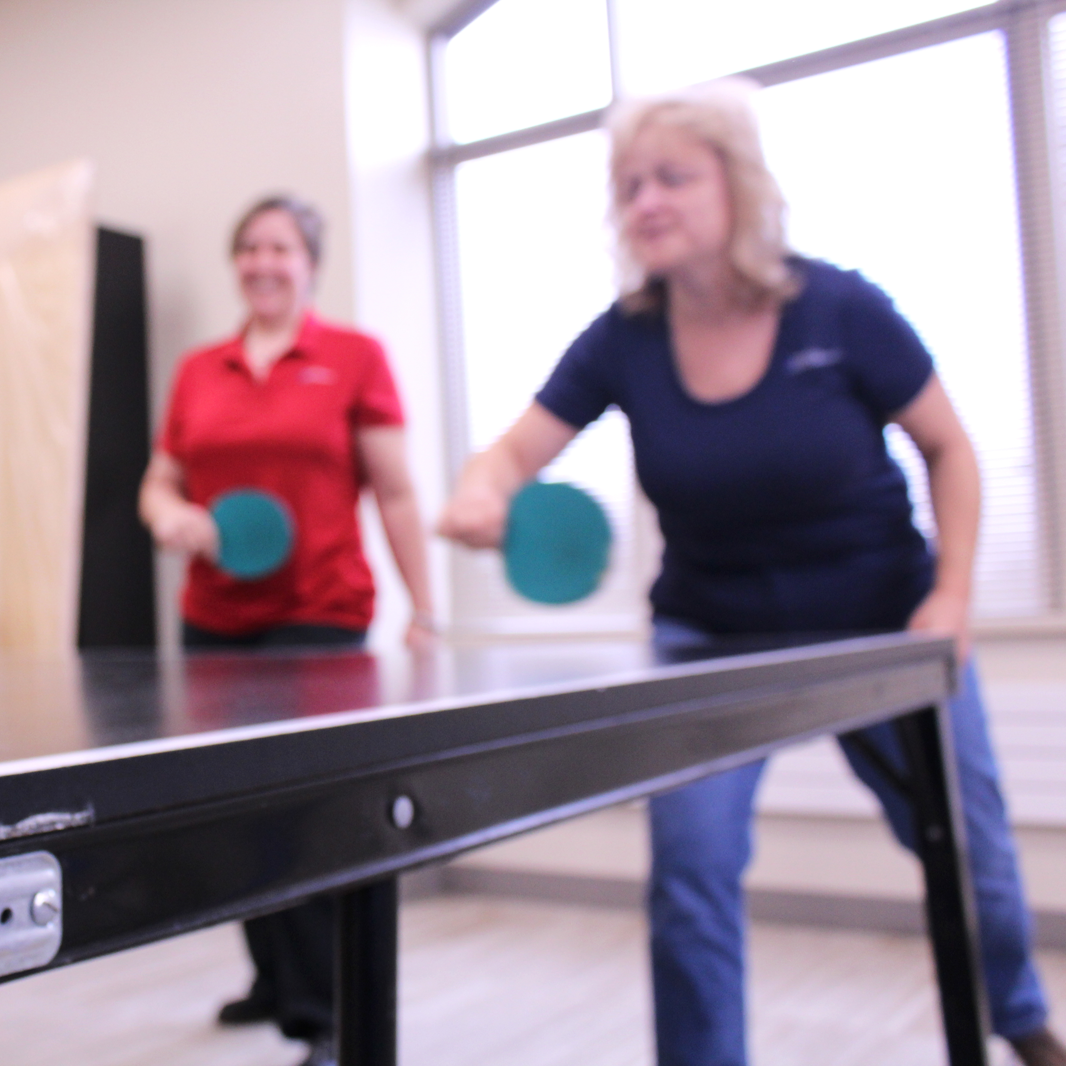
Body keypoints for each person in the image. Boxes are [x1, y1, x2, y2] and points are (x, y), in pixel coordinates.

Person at [438, 79, 1065, 1066]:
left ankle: (1021, 1016)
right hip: (709, 635)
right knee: (688, 873)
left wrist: (948, 596)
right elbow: (508, 456)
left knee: (975, 864)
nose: (645, 201)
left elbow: (949, 448)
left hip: (882, 623)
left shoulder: (842, 308)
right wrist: (478, 494)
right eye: (629, 183)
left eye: (671, 178)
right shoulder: (622, 337)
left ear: (738, 186)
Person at [139, 195, 433, 1066]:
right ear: (238, 265)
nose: (264, 261)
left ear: (310, 263)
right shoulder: (200, 369)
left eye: (282, 247)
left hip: (320, 619)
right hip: (215, 621)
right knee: (232, 813)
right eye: (250, 248)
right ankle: (272, 978)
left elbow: (399, 491)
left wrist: (425, 607)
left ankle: (328, 1012)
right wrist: (170, 518)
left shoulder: (353, 356)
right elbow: (160, 483)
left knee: (308, 814)